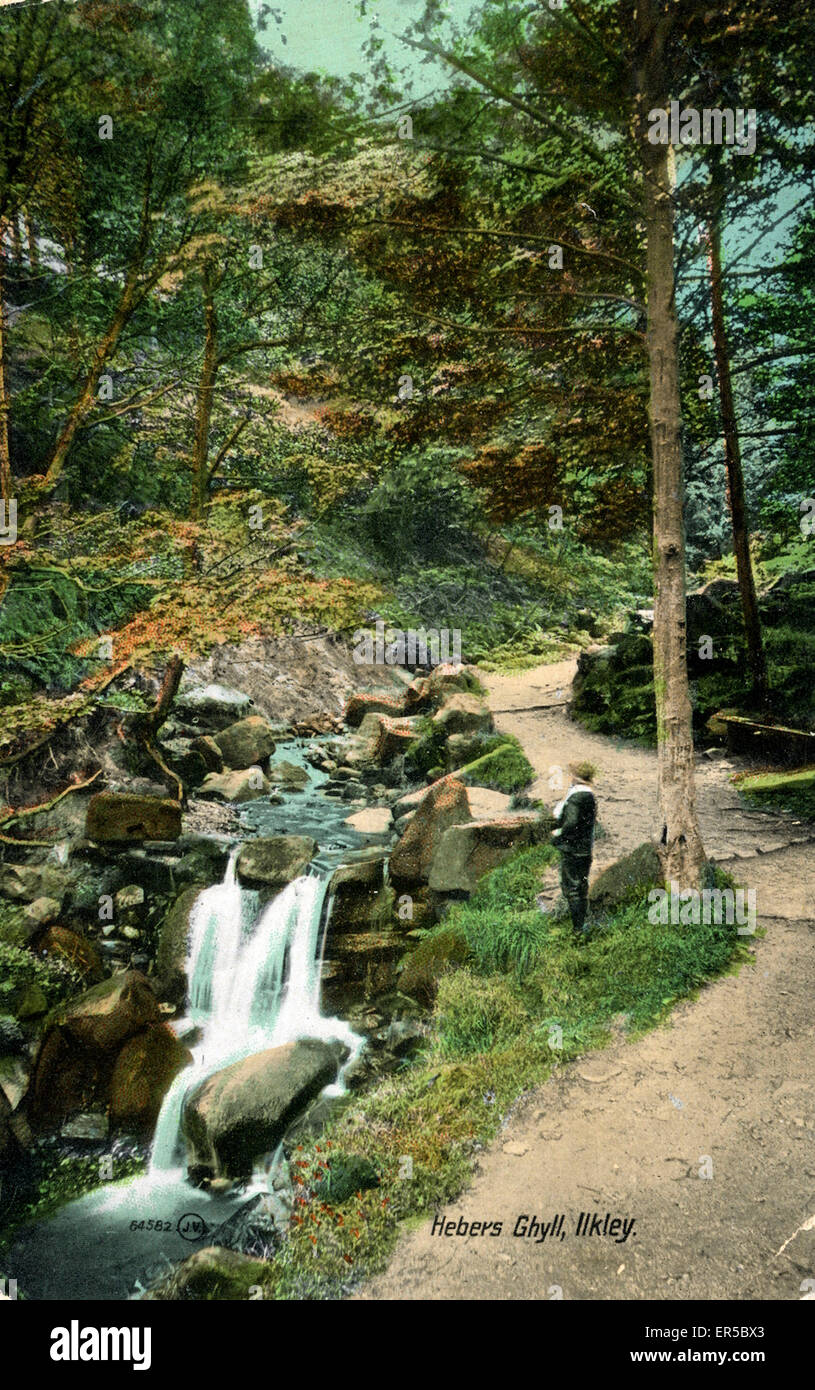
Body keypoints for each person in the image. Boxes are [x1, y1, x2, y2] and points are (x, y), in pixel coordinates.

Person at [552, 764, 597, 936]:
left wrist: (558, 836)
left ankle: (577, 930)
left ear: (575, 777)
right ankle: (581, 926)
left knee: (571, 888)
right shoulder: (589, 795)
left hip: (573, 850)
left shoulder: (577, 796)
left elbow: (571, 823)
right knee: (580, 887)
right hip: (585, 849)